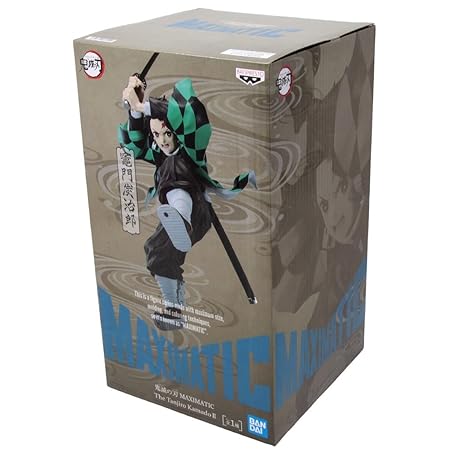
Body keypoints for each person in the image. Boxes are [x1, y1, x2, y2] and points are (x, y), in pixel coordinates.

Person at [119, 76, 255, 330]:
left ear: (176, 131)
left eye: (168, 133)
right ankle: (174, 310)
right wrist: (135, 110)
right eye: (156, 135)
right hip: (176, 220)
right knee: (157, 252)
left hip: (196, 212)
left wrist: (142, 106)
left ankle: (180, 218)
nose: (163, 140)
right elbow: (135, 145)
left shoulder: (192, 149)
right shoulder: (159, 153)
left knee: (176, 173)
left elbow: (189, 112)